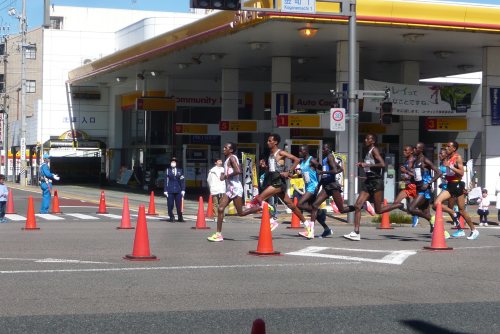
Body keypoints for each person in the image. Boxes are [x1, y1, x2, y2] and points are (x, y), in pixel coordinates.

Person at [245, 133, 311, 231]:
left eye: (270, 141)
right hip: (273, 181)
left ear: (275, 142)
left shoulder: (281, 153)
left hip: (278, 183)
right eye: (268, 141)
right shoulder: (271, 155)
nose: (268, 142)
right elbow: (273, 169)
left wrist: (288, 172)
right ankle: (307, 224)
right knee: (291, 205)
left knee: (259, 199)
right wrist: (265, 167)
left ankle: (272, 220)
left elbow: (296, 159)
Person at [344, 133, 393, 241]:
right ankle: (356, 232)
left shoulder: (374, 150)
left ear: (373, 141)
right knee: (357, 205)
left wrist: (367, 165)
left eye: (368, 139)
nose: (365, 140)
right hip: (368, 181)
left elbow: (382, 164)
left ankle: (398, 205)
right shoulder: (368, 151)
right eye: (365, 138)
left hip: (376, 182)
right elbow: (370, 165)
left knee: (379, 210)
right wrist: (363, 164)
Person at [434, 141, 479, 240]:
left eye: (449, 146)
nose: (447, 148)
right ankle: (456, 218)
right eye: (446, 146)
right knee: (436, 203)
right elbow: (449, 172)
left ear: (454, 148)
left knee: (462, 210)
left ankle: (474, 230)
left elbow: (461, 173)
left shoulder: (457, 157)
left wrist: (449, 166)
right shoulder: (448, 158)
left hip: (457, 185)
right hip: (450, 185)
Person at [309, 143, 355, 238]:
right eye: (322, 149)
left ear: (329, 149)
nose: (323, 150)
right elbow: (340, 169)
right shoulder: (326, 158)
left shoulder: (330, 157)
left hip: (333, 186)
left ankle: (361, 206)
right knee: (314, 205)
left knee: (341, 209)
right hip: (326, 186)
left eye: (324, 148)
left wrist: (322, 172)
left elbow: (334, 171)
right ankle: (310, 231)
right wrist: (319, 185)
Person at [207, 142, 244, 242]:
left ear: (231, 150)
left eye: (225, 147)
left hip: (235, 188)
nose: (223, 149)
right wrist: (223, 174)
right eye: (223, 147)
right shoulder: (227, 159)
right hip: (229, 189)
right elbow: (228, 171)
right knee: (220, 208)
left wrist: (226, 176)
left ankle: (262, 207)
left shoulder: (232, 158)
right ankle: (218, 234)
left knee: (241, 213)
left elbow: (238, 170)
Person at [407, 142, 442, 233]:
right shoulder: (415, 161)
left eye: (416, 148)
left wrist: (429, 183)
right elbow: (417, 176)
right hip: (418, 188)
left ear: (421, 149)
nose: (414, 150)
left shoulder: (425, 160)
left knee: (411, 209)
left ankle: (432, 219)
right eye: (414, 148)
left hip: (425, 189)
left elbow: (439, 172)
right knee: (426, 211)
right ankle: (436, 230)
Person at [294, 145, 323, 239]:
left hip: (313, 186)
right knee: (312, 206)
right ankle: (312, 231)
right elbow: (303, 175)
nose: (299, 152)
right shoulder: (302, 162)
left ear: (306, 151)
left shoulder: (312, 160)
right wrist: (294, 176)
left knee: (300, 204)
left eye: (301, 151)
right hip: (307, 186)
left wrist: (318, 174)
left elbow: (320, 167)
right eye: (299, 151)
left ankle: (316, 211)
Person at [164, 157, 185, 222]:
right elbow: (166, 180)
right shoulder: (167, 170)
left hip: (178, 190)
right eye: (172, 162)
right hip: (170, 190)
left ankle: (180, 216)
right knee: (170, 204)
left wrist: (183, 189)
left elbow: (182, 181)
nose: (173, 163)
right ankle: (171, 216)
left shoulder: (180, 170)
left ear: (176, 163)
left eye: (174, 162)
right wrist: (165, 190)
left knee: (179, 205)